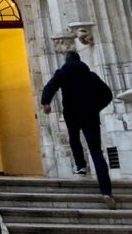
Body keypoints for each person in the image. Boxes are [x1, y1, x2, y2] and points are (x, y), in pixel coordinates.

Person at [41, 51, 116, 208]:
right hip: (90, 115)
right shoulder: (91, 75)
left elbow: (50, 87)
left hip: (72, 113)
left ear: (66, 60)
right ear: (80, 60)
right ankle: (107, 192)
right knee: (96, 152)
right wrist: (96, 107)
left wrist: (46, 103)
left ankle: (81, 166)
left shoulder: (63, 73)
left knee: (74, 137)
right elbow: (107, 95)